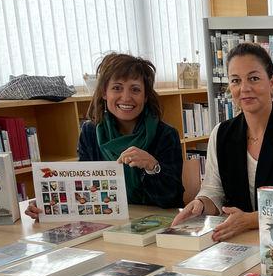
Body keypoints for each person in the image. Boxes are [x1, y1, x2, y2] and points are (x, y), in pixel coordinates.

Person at [171, 42, 273, 241]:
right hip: (235, 239)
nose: (244, 88)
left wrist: (249, 220)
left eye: (254, 78)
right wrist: (201, 203)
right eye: (235, 81)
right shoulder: (221, 133)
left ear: (272, 82)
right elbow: (214, 191)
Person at [25, 53, 184, 219]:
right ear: (104, 93)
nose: (126, 97)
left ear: (145, 97)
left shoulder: (165, 134)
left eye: (135, 89)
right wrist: (49, 203)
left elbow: (172, 199)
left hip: (154, 223)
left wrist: (153, 167)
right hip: (108, 223)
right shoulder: (90, 133)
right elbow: (82, 189)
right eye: (117, 88)